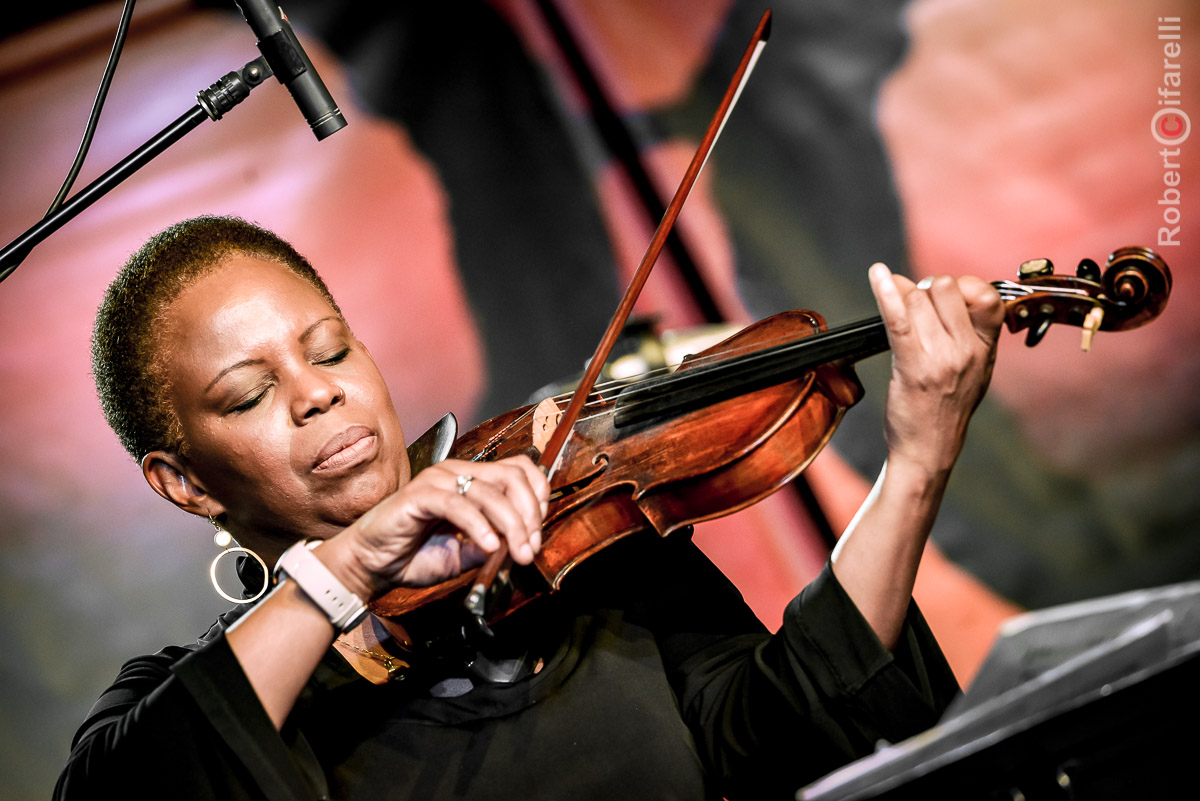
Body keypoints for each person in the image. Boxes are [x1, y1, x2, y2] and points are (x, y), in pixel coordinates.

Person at [55, 215, 1004, 800]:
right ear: (184, 482)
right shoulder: (197, 709)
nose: (318, 394)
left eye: (331, 349)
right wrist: (340, 572)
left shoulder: (572, 550)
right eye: (249, 393)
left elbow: (791, 733)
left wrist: (917, 461)